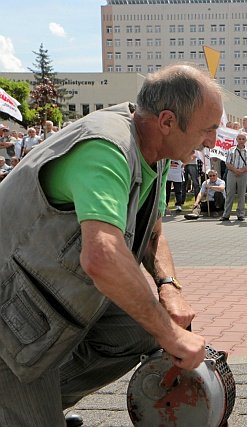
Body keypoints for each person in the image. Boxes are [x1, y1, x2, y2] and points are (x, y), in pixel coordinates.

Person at [0, 64, 222, 426]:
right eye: (207, 129)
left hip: (45, 299)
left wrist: (168, 287)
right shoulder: (105, 149)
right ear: (167, 121)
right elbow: (102, 256)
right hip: (9, 309)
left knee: (141, 331)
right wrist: (171, 334)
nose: (212, 141)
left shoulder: (157, 151)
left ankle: (29, 404)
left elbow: (153, 231)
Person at [221, 132, 247, 221]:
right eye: (239, 139)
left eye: (243, 139)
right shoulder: (231, 150)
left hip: (244, 174)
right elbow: (227, 163)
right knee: (229, 194)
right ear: (236, 140)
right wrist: (236, 170)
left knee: (241, 194)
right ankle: (226, 214)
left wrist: (241, 171)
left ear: (246, 140)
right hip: (232, 173)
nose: (241, 141)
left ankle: (240, 214)